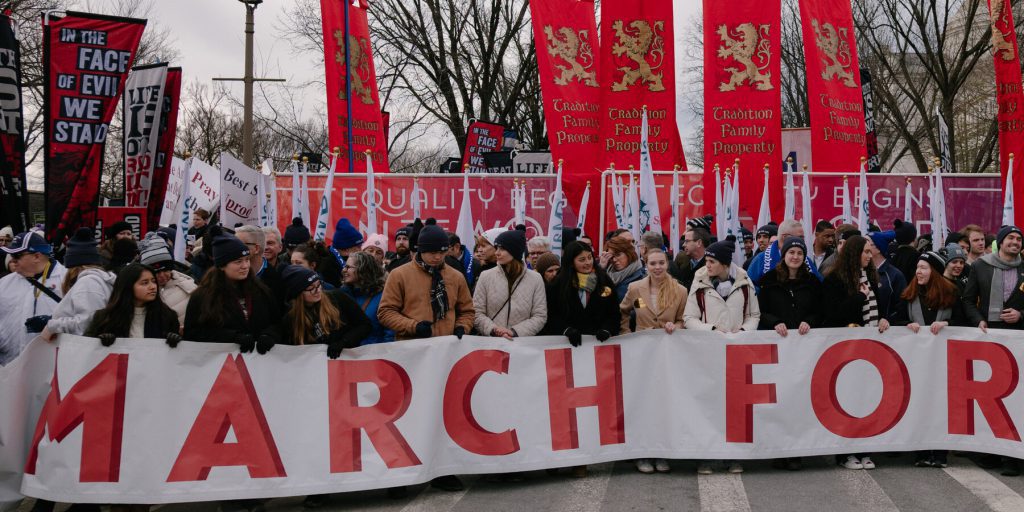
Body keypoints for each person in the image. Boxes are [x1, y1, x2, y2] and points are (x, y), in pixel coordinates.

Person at [377, 222, 473, 492]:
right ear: (419, 251)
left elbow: (467, 310)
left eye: (442, 252)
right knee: (409, 415)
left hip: (444, 356)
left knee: (442, 414)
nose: (438, 257)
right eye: (433, 253)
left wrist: (461, 328)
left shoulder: (455, 276)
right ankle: (401, 476)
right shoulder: (400, 275)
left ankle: (441, 470)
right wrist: (411, 326)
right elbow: (385, 312)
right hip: (412, 355)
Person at [542, 240, 619, 479]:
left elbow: (613, 314)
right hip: (565, 353)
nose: (587, 263)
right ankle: (554, 458)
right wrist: (566, 330)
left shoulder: (604, 282)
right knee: (561, 409)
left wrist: (606, 329)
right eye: (581, 259)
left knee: (587, 410)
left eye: (589, 258)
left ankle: (581, 461)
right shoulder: (558, 284)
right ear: (571, 262)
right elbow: (549, 316)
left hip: (594, 355)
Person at [683, 240, 759, 475]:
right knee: (708, 405)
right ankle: (706, 456)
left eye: (712, 261)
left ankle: (733, 456)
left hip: (736, 353)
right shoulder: (700, 281)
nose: (707, 265)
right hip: (707, 353)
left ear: (725, 264)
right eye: (707, 260)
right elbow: (689, 317)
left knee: (734, 405)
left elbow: (753, 314)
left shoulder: (745, 282)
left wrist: (744, 333)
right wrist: (712, 331)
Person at [821, 234, 890, 471]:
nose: (870, 257)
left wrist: (883, 319)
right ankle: (845, 453)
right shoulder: (834, 280)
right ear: (854, 253)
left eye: (871, 253)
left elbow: (878, 307)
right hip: (845, 351)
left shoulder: (871, 277)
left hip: (869, 349)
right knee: (846, 400)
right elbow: (833, 314)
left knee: (867, 399)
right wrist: (859, 297)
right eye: (866, 252)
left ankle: (865, 449)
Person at [619, 248, 685, 475]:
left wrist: (675, 327)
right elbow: (623, 312)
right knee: (642, 403)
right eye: (652, 263)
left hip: (668, 355)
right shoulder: (635, 288)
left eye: (661, 263)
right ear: (645, 265)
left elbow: (684, 319)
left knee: (664, 404)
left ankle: (663, 452)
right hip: (641, 355)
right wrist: (628, 335)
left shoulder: (680, 290)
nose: (657, 268)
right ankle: (642, 453)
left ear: (668, 264)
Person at [898, 251, 965, 468]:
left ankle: (939, 452)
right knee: (918, 403)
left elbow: (963, 321)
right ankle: (921, 451)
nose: (918, 271)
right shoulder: (909, 293)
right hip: (916, 362)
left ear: (934, 271)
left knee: (940, 404)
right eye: (917, 267)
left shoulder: (951, 293)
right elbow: (896, 318)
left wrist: (948, 325)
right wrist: (906, 325)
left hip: (943, 362)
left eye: (924, 267)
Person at [183, 233, 281, 354]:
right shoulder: (204, 296)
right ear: (222, 265)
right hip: (221, 366)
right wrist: (232, 337)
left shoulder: (261, 290)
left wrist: (269, 335)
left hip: (258, 365)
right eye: (238, 261)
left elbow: (277, 323)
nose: (245, 266)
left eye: (247, 260)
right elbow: (193, 333)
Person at [0, 231, 66, 365]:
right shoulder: (4, 283)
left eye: (17, 255)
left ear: (36, 256)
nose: (11, 259)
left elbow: (83, 320)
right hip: (8, 367)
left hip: (49, 369)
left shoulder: (65, 280)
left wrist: (52, 322)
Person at [42, 228, 116, 341]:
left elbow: (86, 324)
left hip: (86, 352)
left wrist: (52, 326)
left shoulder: (88, 283)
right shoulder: (95, 280)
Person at [473, 229, 548, 339]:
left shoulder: (535, 279)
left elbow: (540, 316)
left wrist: (514, 332)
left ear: (515, 251)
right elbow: (477, 312)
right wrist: (494, 330)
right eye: (496, 248)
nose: (497, 252)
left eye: (502, 249)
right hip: (491, 346)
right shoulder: (485, 276)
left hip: (522, 347)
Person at [85, 263, 181, 347]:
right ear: (128, 286)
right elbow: (86, 349)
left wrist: (175, 341)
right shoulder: (105, 318)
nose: (153, 287)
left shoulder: (167, 316)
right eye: (145, 283)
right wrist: (99, 342)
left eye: (153, 281)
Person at [964, 225, 1024, 332]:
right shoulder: (980, 265)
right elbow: (968, 300)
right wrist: (978, 320)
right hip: (988, 332)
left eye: (1019, 239)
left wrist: (1020, 315)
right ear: (1000, 242)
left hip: (1018, 333)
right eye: (1011, 238)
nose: (1015, 242)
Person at [746, 220, 822, 293]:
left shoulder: (804, 259)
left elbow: (819, 284)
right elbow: (748, 286)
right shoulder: (761, 259)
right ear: (785, 237)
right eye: (800, 238)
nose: (803, 241)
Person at [139, 233, 196, 326]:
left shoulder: (189, 285)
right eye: (156, 272)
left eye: (165, 270)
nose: (162, 275)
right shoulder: (140, 292)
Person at [340, 251, 394, 345]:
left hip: (373, 355)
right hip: (347, 356)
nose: (344, 270)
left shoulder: (382, 297)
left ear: (363, 270)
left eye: (348, 267)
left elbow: (390, 333)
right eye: (345, 266)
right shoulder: (342, 296)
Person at [236, 225, 286, 302]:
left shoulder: (280, 277)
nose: (265, 247)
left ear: (256, 248)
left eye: (270, 243)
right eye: (235, 243)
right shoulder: (230, 274)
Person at [605, 236, 646, 301]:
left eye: (618, 255)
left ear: (628, 253)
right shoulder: (606, 273)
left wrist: (625, 310)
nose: (614, 260)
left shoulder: (642, 278)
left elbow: (640, 307)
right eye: (611, 257)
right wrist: (601, 268)